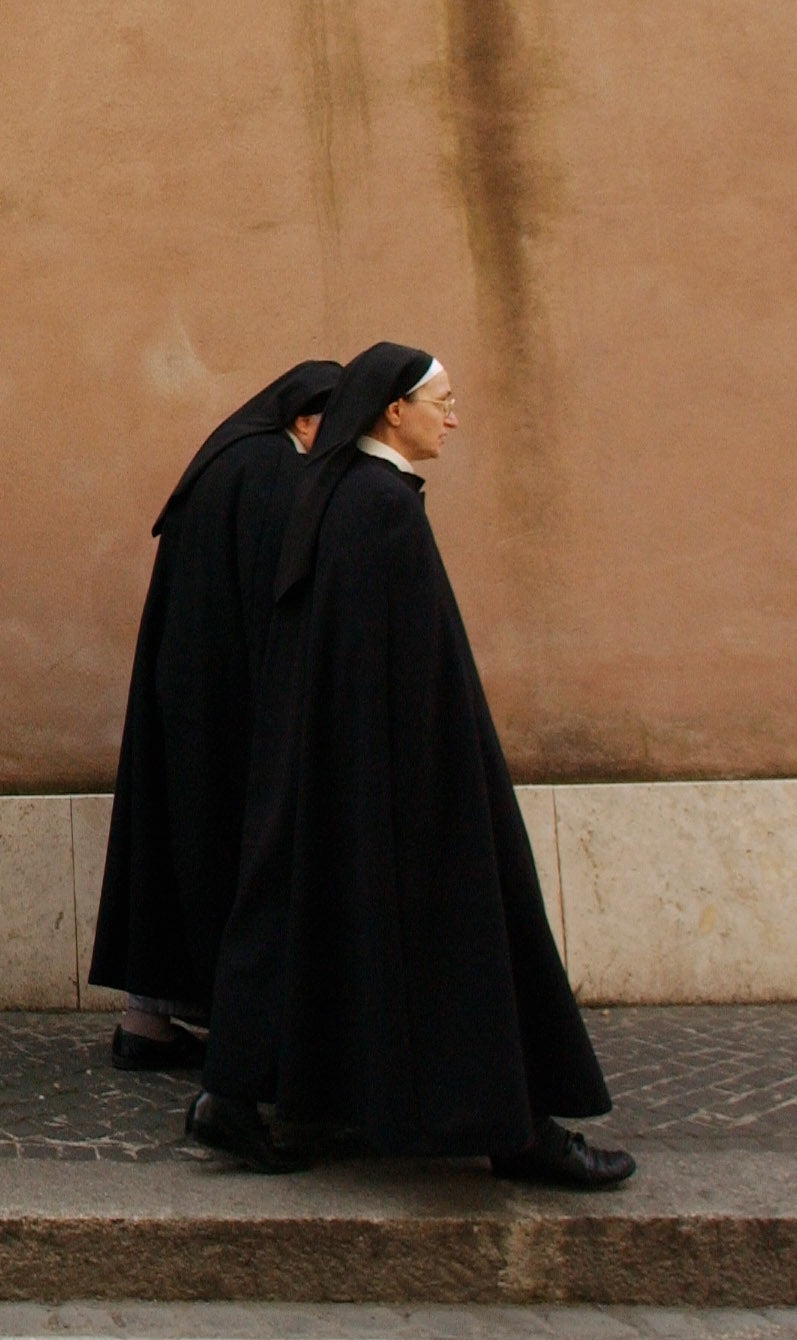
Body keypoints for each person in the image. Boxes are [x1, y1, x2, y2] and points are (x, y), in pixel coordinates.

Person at [190, 343, 632, 1188]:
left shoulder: (338, 493)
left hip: (342, 769)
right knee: (471, 934)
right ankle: (514, 1130)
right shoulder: (381, 506)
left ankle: (236, 1097)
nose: (453, 419)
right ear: (394, 410)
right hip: (406, 775)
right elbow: (410, 671)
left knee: (297, 918)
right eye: (443, 402)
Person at [86, 360, 342, 1071]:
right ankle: (244, 1036)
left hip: (185, 695)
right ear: (304, 420)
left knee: (172, 849)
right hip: (232, 704)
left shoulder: (226, 460)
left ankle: (147, 1022)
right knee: (229, 859)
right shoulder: (273, 471)